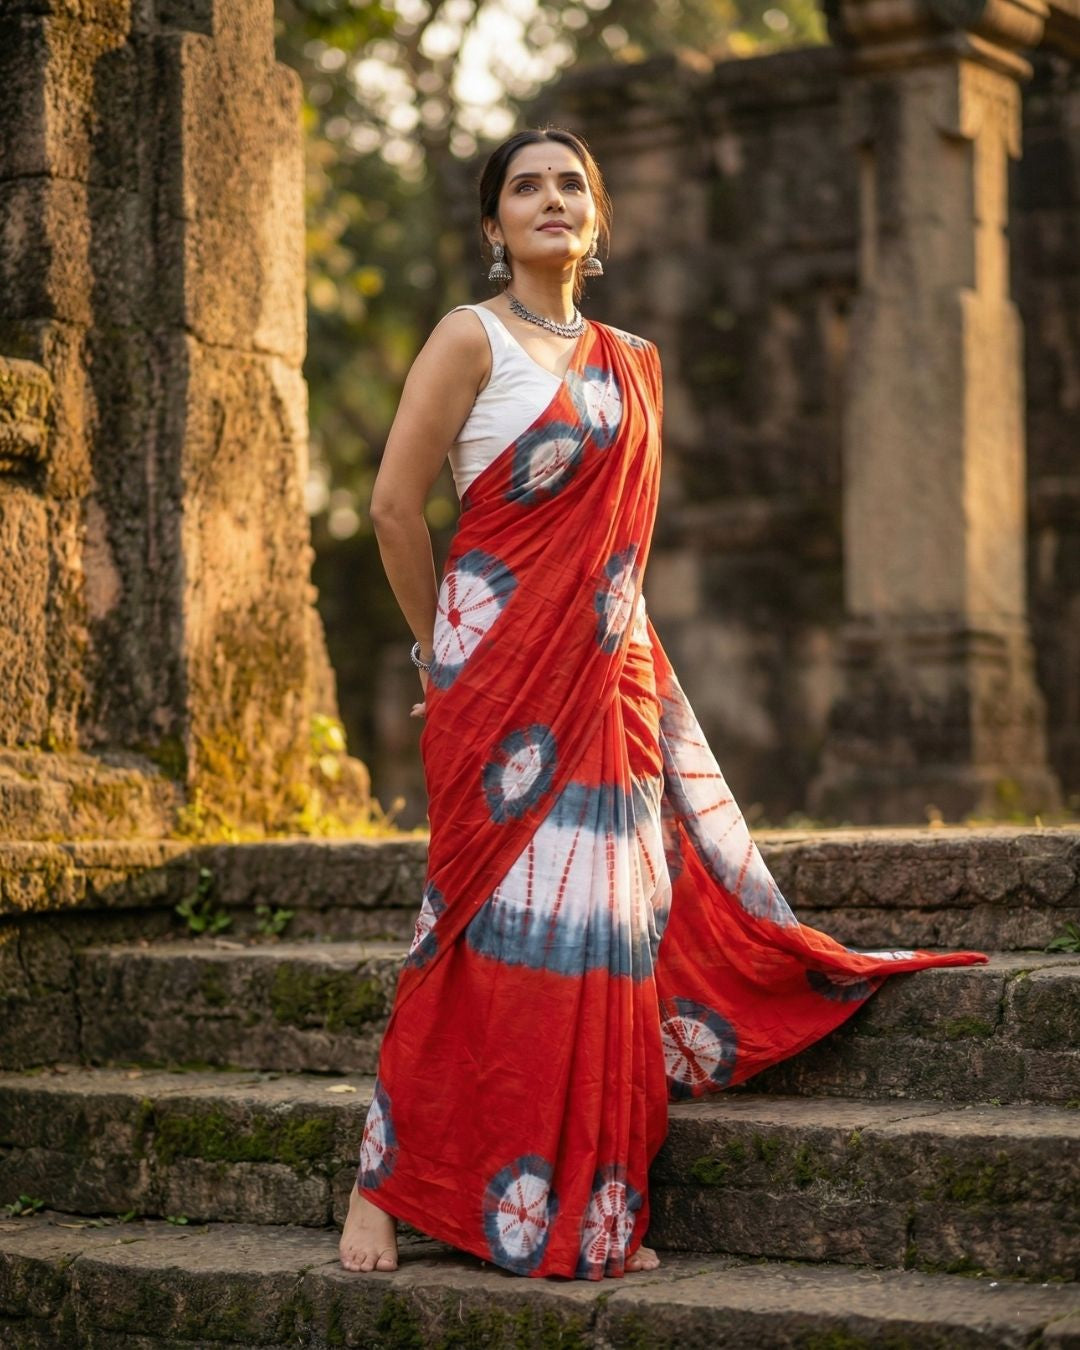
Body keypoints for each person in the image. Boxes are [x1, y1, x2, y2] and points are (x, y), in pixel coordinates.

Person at [338, 127, 986, 1280]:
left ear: (599, 221)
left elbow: (616, 552)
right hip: (492, 683)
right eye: (524, 188)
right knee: (471, 931)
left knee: (604, 944)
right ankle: (386, 1187)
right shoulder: (465, 338)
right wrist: (443, 660)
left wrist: (619, 671)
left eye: (570, 184)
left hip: (608, 681)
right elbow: (396, 509)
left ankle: (588, 1203)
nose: (550, 199)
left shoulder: (635, 360)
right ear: (492, 227)